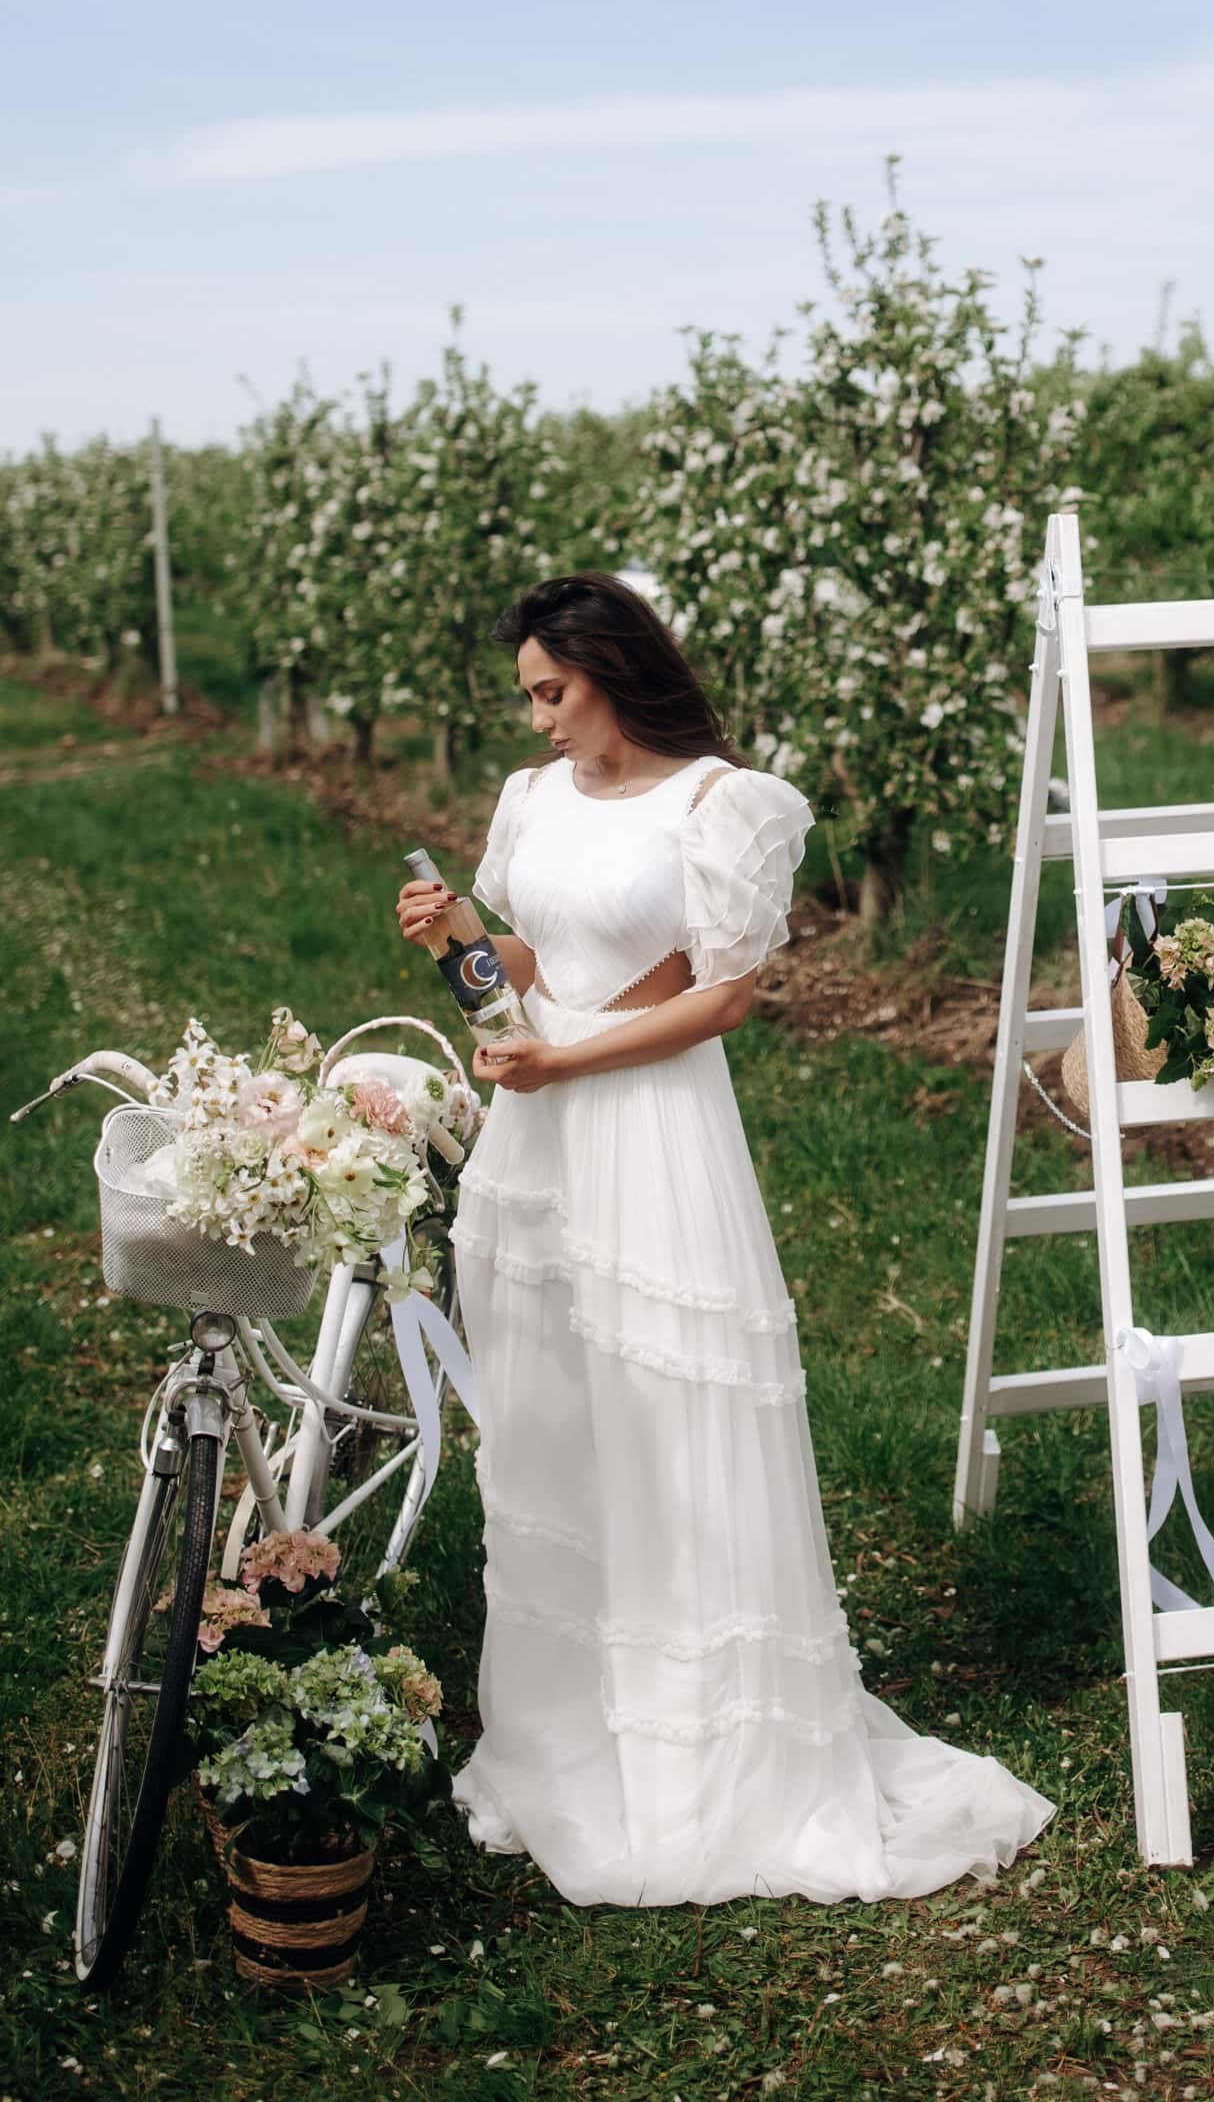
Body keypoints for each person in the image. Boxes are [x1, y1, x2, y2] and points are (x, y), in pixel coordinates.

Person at [397, 571, 1052, 1906]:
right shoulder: (531, 801)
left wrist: (564, 1066)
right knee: (558, 1417)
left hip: (650, 1132)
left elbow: (725, 996)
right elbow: (536, 965)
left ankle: (711, 1757)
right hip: (541, 1137)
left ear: (612, 669)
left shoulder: (717, 804)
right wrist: (467, 941)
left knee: (672, 1414)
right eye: (527, 695)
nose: (538, 720)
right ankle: (570, 1731)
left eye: (553, 691)